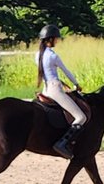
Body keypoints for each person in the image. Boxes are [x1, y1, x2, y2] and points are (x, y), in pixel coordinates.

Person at [36, 24, 85, 158]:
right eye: (56, 39)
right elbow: (66, 71)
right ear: (50, 39)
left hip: (45, 89)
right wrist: (76, 84)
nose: (57, 41)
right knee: (81, 117)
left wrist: (62, 82)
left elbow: (48, 73)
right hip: (55, 90)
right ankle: (63, 144)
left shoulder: (38, 55)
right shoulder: (53, 56)